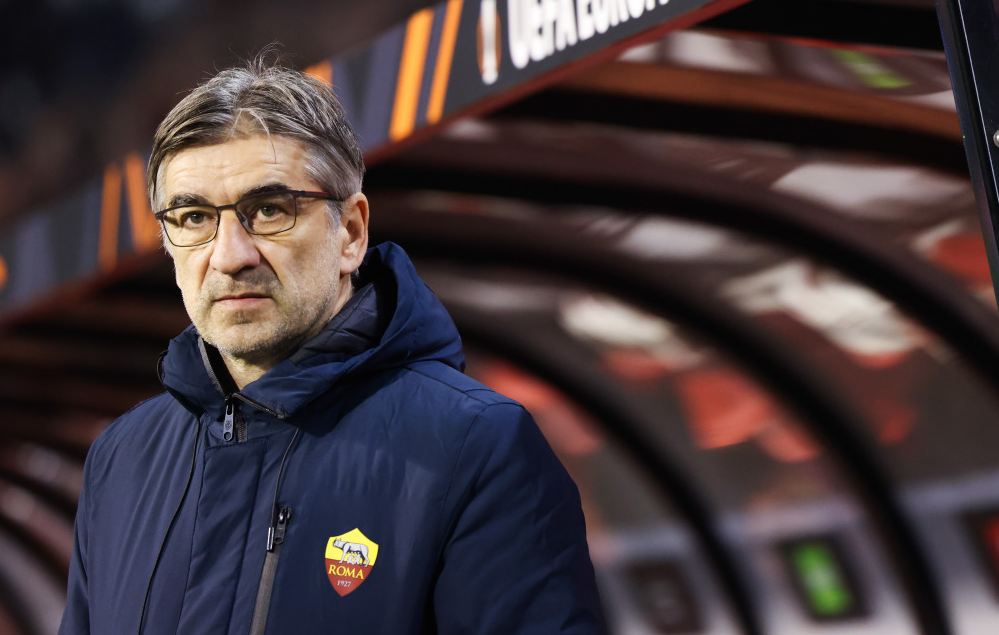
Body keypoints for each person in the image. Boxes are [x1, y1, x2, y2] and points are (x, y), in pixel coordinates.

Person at [58, 55, 606, 634]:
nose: (230, 256)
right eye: (194, 218)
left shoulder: (478, 447)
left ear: (351, 233)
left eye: (269, 210)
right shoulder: (120, 460)